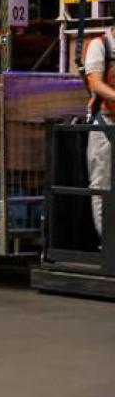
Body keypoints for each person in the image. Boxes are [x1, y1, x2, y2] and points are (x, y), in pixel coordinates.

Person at [84, 26, 115, 239]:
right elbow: (95, 83)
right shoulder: (101, 45)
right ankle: (107, 242)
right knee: (102, 184)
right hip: (105, 124)